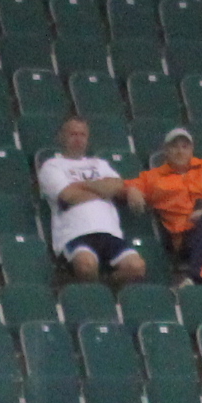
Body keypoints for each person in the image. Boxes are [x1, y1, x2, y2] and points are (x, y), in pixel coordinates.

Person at [125, 124, 202, 293]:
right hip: (185, 240)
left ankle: (194, 277)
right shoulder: (153, 178)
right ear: (166, 150)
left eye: (185, 146)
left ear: (192, 149)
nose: (180, 151)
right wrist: (132, 190)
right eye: (174, 146)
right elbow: (127, 185)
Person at [35, 113, 144, 287]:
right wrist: (103, 190)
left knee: (136, 267)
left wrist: (82, 185)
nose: (78, 139)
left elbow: (117, 185)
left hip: (109, 232)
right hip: (75, 234)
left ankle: (106, 287)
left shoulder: (99, 164)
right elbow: (69, 196)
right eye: (73, 134)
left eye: (82, 135)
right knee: (86, 266)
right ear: (61, 137)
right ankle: (95, 295)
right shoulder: (52, 166)